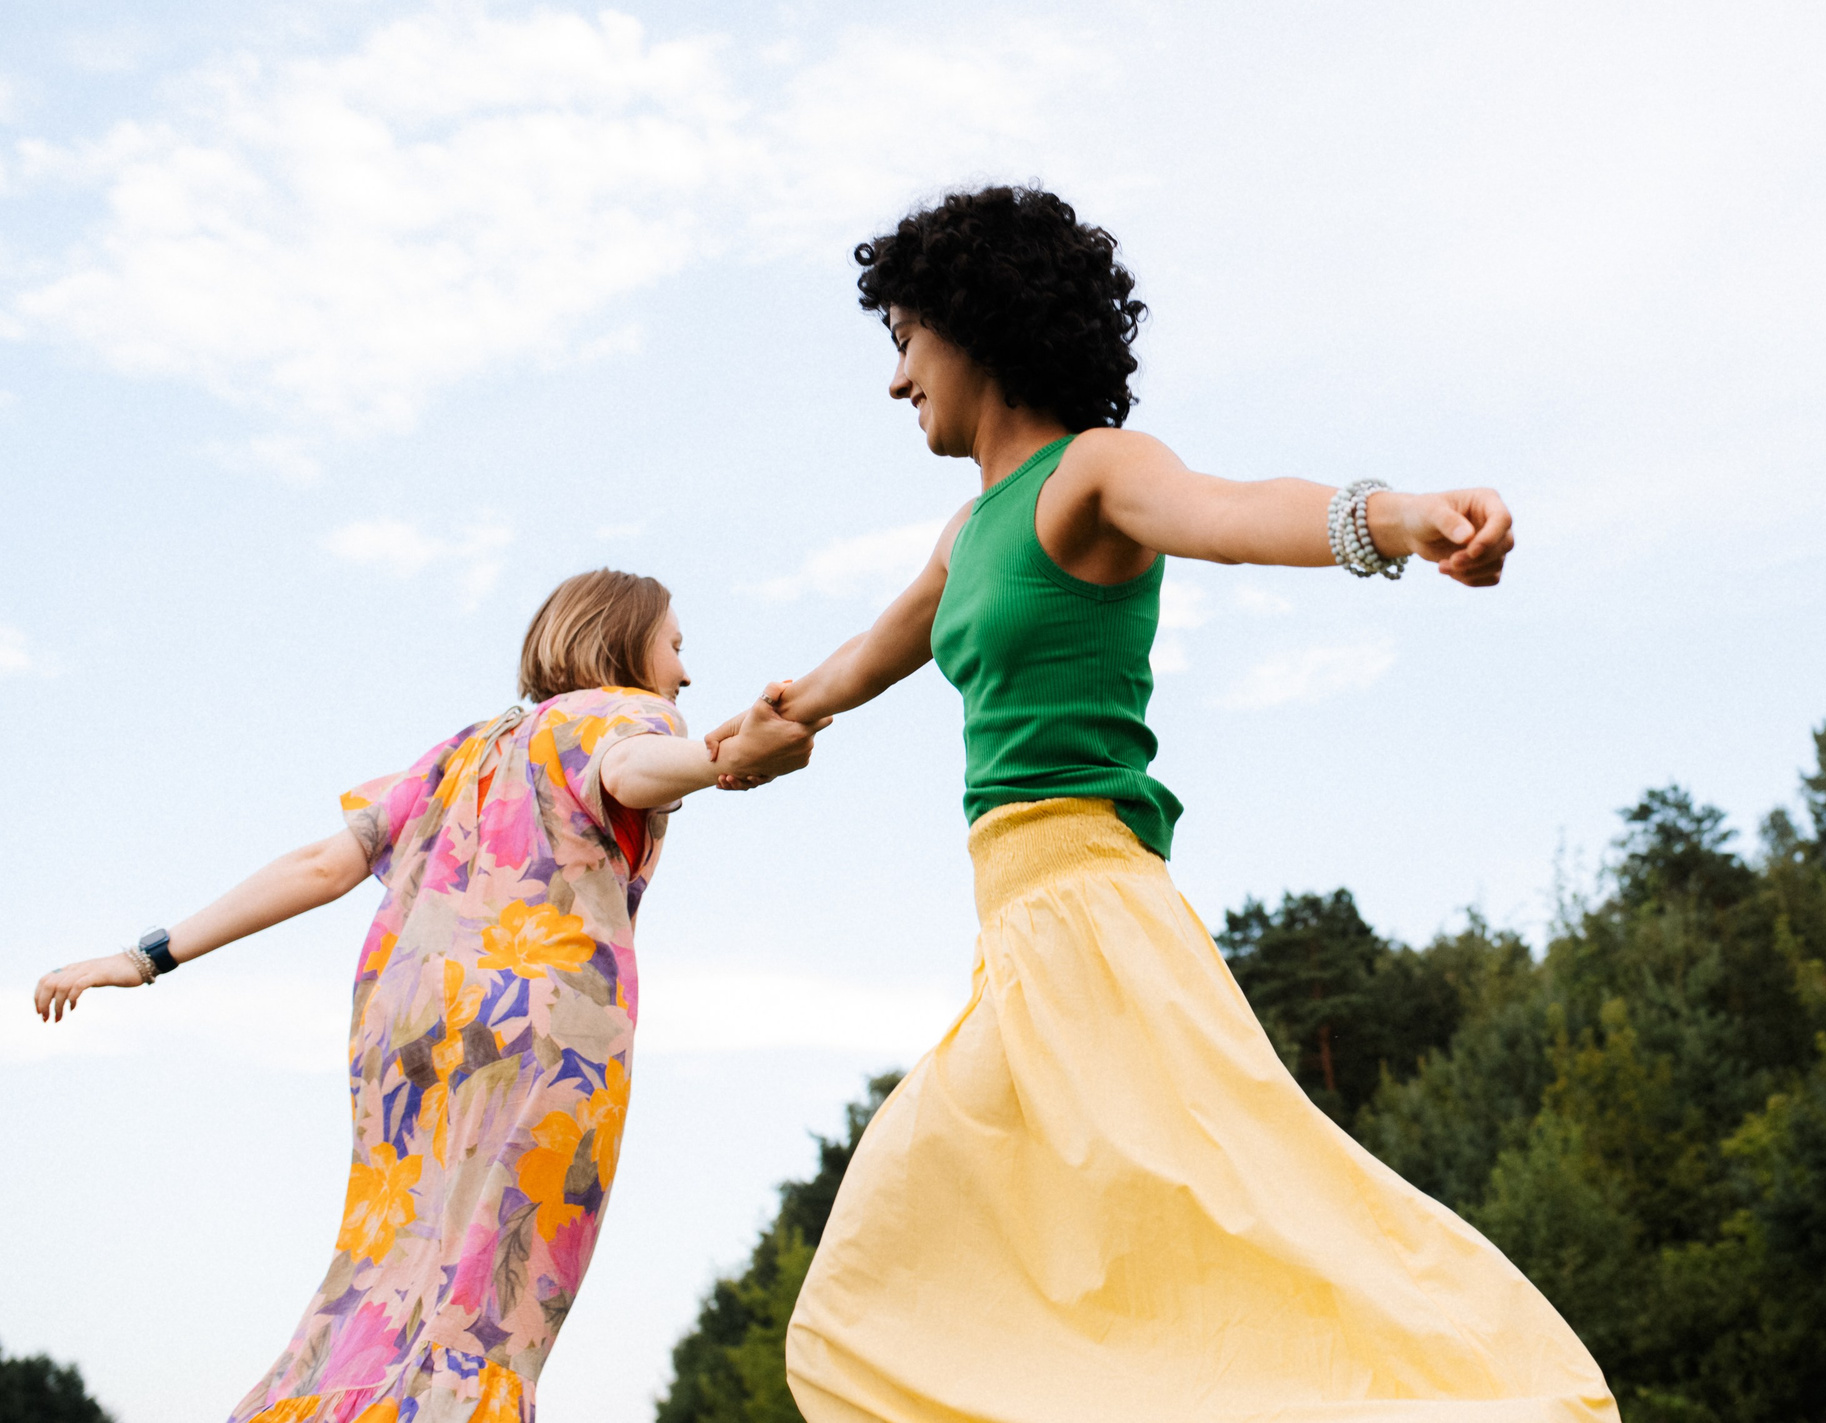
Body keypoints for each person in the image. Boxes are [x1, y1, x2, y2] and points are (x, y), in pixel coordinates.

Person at [707, 185, 1619, 1422]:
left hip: (1101, 924)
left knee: (1237, 1241)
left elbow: (1239, 515)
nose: (895, 378)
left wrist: (1401, 516)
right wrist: (770, 725)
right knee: (878, 1304)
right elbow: (864, 658)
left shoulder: (1096, 472)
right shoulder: (967, 533)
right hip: (1018, 946)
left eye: (905, 339)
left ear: (976, 327)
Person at [31, 570, 826, 1423]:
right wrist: (720, 756)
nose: (684, 672)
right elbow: (631, 768)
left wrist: (142, 957)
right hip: (540, 1035)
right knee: (487, 1316)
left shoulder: (464, 750)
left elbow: (321, 867)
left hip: (407, 1039)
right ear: (622, 641)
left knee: (381, 1287)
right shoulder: (622, 711)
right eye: (675, 645)